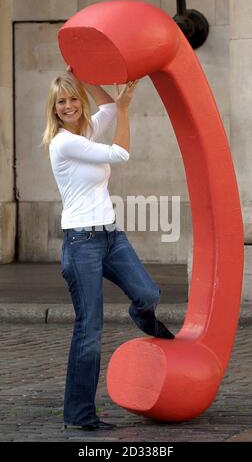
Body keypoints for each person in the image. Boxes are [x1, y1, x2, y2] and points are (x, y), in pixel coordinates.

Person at [43, 70, 175, 432]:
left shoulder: (84, 132)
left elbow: (106, 106)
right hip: (81, 242)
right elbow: (120, 153)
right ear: (53, 110)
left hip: (111, 236)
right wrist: (126, 108)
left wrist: (82, 75)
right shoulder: (63, 143)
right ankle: (80, 414)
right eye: (62, 101)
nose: (69, 105)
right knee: (89, 328)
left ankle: (144, 318)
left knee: (148, 293)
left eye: (72, 98)